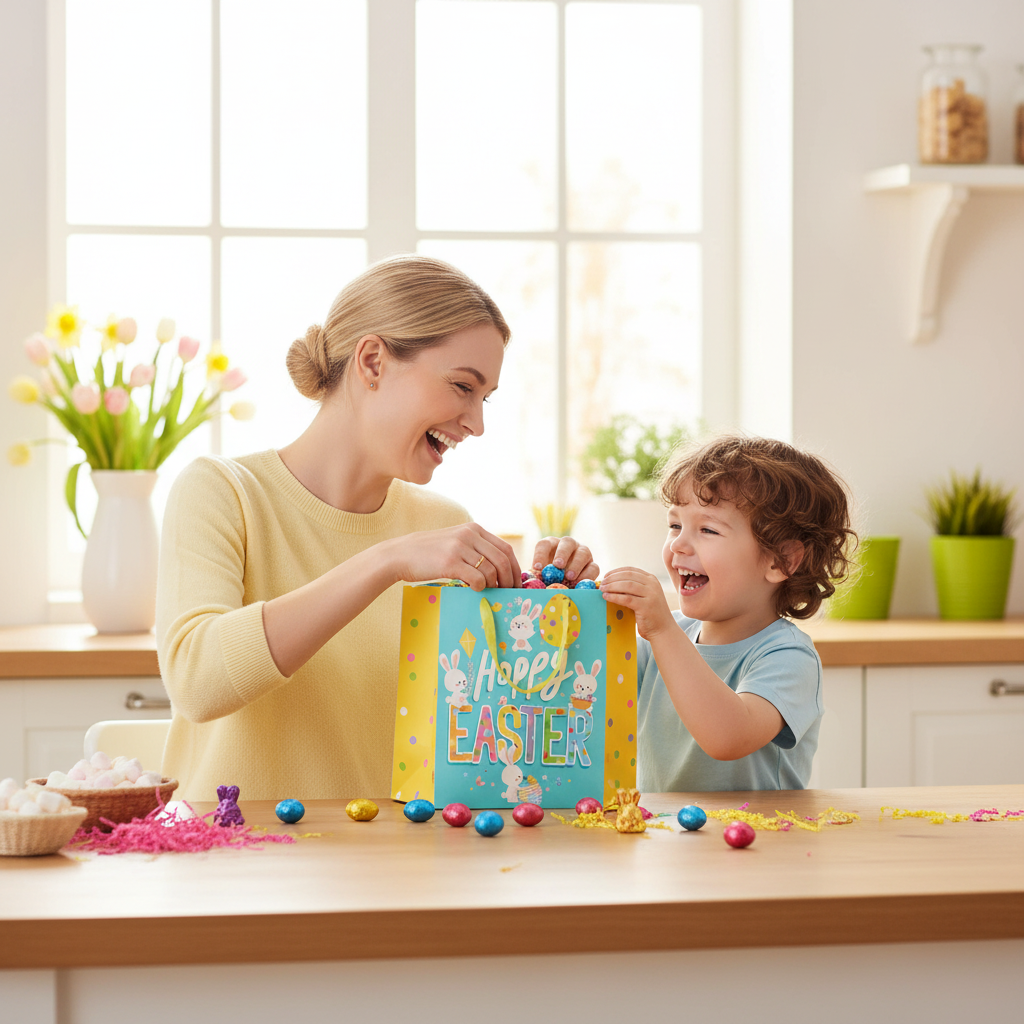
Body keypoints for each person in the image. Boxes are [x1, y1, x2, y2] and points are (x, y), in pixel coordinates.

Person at [156, 255, 596, 801]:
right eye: (463, 386)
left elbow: (496, 729)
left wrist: (558, 601)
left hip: (398, 868)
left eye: (485, 399)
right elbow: (197, 682)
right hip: (235, 864)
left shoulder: (442, 525)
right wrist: (385, 562)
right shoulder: (224, 492)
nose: (477, 424)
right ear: (372, 362)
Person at [599, 435, 855, 792]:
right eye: (674, 525)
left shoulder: (789, 658)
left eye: (707, 529)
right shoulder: (660, 638)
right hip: (665, 842)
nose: (678, 544)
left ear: (781, 560)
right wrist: (562, 595)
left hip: (762, 843)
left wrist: (661, 629)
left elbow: (727, 737)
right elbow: (582, 694)